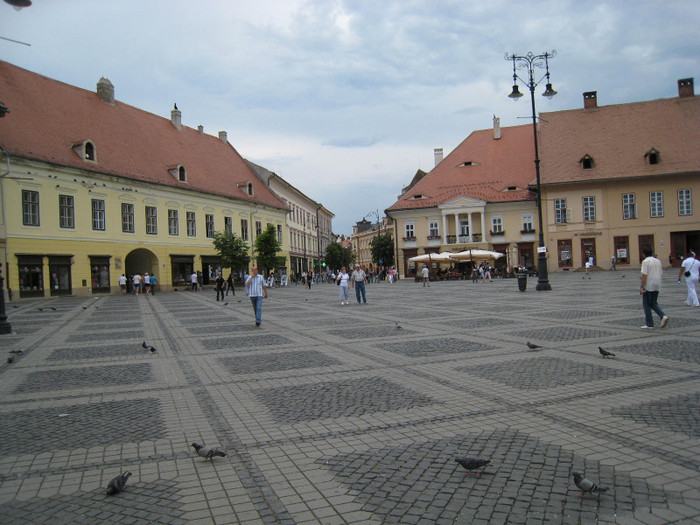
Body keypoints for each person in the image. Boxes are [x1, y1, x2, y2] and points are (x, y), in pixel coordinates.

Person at [640, 246, 669, 330]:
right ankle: (663, 316)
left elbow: (644, 275)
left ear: (644, 254)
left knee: (646, 304)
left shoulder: (645, 262)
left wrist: (642, 287)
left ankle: (649, 324)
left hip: (649, 284)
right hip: (657, 284)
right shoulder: (657, 261)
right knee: (653, 303)